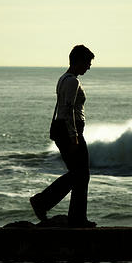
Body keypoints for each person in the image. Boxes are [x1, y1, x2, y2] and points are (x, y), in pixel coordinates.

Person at [30, 45, 96, 227]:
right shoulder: (73, 81)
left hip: (62, 129)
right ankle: (44, 202)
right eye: (87, 62)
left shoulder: (62, 78)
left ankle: (74, 217)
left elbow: (62, 108)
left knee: (79, 175)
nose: (89, 67)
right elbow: (67, 109)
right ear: (78, 61)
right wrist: (74, 136)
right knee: (81, 174)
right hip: (70, 130)